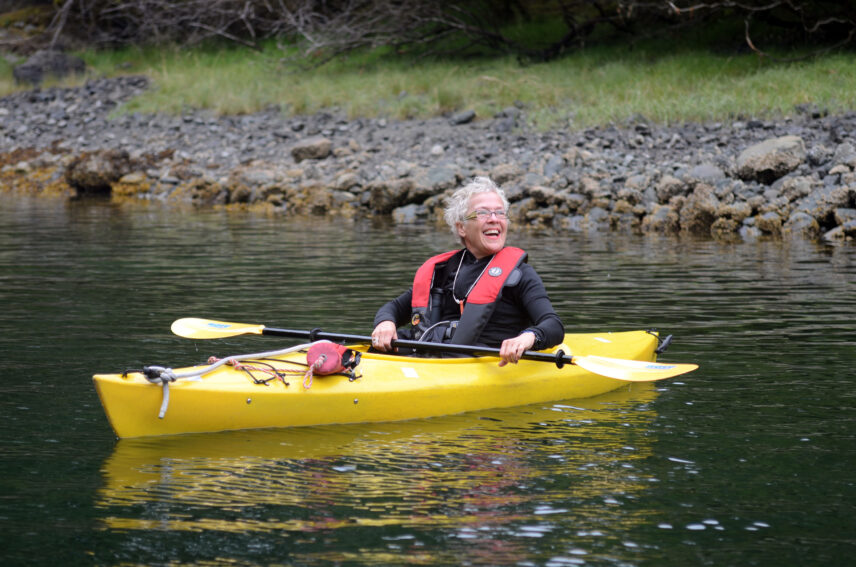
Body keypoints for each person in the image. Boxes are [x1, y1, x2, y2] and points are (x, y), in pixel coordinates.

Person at [371, 176, 564, 366]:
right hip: (432, 358)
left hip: (483, 363)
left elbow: (553, 325)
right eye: (483, 213)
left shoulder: (520, 275)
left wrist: (528, 338)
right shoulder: (443, 271)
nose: (494, 219)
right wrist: (385, 323)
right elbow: (394, 308)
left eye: (500, 212)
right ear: (461, 227)